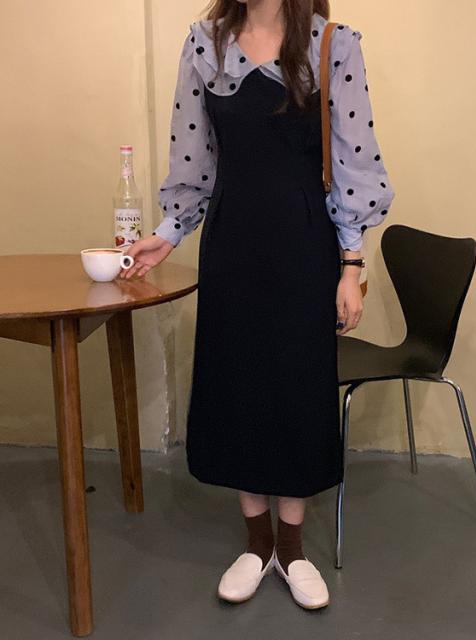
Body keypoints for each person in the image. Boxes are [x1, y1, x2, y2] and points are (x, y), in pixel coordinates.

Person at [122, 0, 394, 610]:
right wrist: (168, 232)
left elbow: (354, 160)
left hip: (304, 245)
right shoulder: (205, 44)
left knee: (298, 386)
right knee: (239, 382)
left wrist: (352, 267)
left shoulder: (333, 45)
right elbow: (193, 156)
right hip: (233, 245)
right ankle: (257, 542)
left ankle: (292, 548)